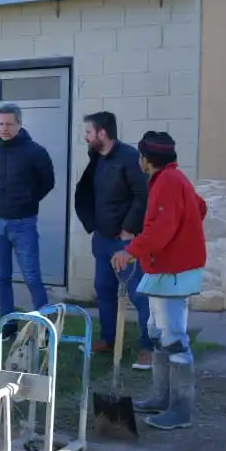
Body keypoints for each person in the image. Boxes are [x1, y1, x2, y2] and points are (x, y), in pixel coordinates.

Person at [111, 131, 207, 431]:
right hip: (163, 269)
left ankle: (180, 409)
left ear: (146, 159)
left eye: (140, 156)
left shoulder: (167, 181)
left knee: (173, 338)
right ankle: (160, 397)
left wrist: (130, 251)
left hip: (173, 271)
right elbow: (199, 208)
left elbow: (162, 229)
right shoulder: (172, 178)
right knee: (157, 333)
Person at [73, 112, 154, 370]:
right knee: (104, 290)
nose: (85, 137)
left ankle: (149, 348)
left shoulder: (129, 158)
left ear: (102, 133)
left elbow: (143, 194)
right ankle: (108, 340)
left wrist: (129, 228)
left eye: (88, 132)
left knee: (139, 294)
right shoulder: (97, 157)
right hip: (102, 239)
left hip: (125, 243)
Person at [0, 103, 56, 334]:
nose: (4, 129)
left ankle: (45, 328)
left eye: (9, 124)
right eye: (1, 124)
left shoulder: (35, 152)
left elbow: (48, 182)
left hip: (23, 223)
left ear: (19, 124)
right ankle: (8, 326)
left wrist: (26, 201)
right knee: (1, 276)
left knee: (32, 276)